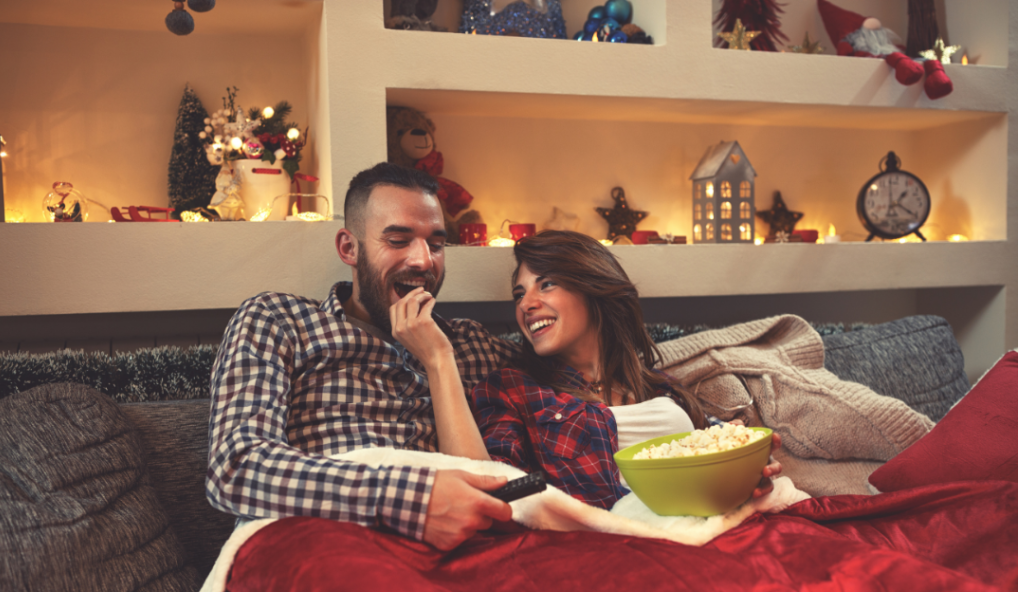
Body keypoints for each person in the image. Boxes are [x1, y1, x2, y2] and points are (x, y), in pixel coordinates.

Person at [205, 161, 520, 551]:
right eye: (399, 240)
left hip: (457, 549)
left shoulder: (467, 343)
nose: (423, 261)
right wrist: (407, 500)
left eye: (436, 244)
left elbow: (576, 372)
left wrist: (440, 356)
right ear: (349, 248)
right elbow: (237, 468)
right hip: (328, 542)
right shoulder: (279, 320)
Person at [470, 229, 782, 509]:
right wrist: (438, 357)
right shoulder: (512, 389)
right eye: (519, 294)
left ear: (592, 287)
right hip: (606, 547)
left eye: (546, 284)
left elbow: (714, 450)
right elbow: (491, 486)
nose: (526, 304)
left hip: (708, 533)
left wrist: (748, 470)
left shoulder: (658, 386)